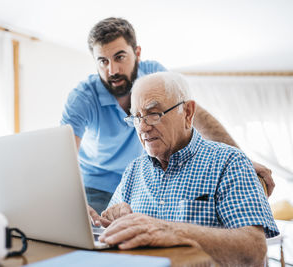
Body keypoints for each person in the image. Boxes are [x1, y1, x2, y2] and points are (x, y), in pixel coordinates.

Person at [61, 17, 274, 214]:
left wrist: (241, 161)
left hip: (142, 181)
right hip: (95, 186)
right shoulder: (82, 97)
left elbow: (194, 116)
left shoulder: (154, 76)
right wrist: (74, 203)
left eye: (120, 57)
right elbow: (64, 154)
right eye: (103, 61)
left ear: (137, 53)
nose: (112, 70)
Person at [98, 72, 279, 266]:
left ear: (187, 113)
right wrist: (114, 218)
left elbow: (254, 250)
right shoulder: (133, 170)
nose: (142, 127)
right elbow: (109, 226)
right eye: (136, 117)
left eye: (153, 114)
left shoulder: (230, 162)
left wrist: (172, 231)